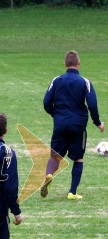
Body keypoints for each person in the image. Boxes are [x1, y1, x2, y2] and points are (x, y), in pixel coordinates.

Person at [41, 50, 104, 200]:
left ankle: (49, 175)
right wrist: (97, 123)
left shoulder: (57, 80)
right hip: (78, 126)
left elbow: (46, 102)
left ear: (65, 64)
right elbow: (92, 105)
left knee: (55, 156)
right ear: (79, 63)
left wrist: (56, 115)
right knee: (78, 158)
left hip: (60, 124)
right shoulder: (85, 82)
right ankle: (72, 192)